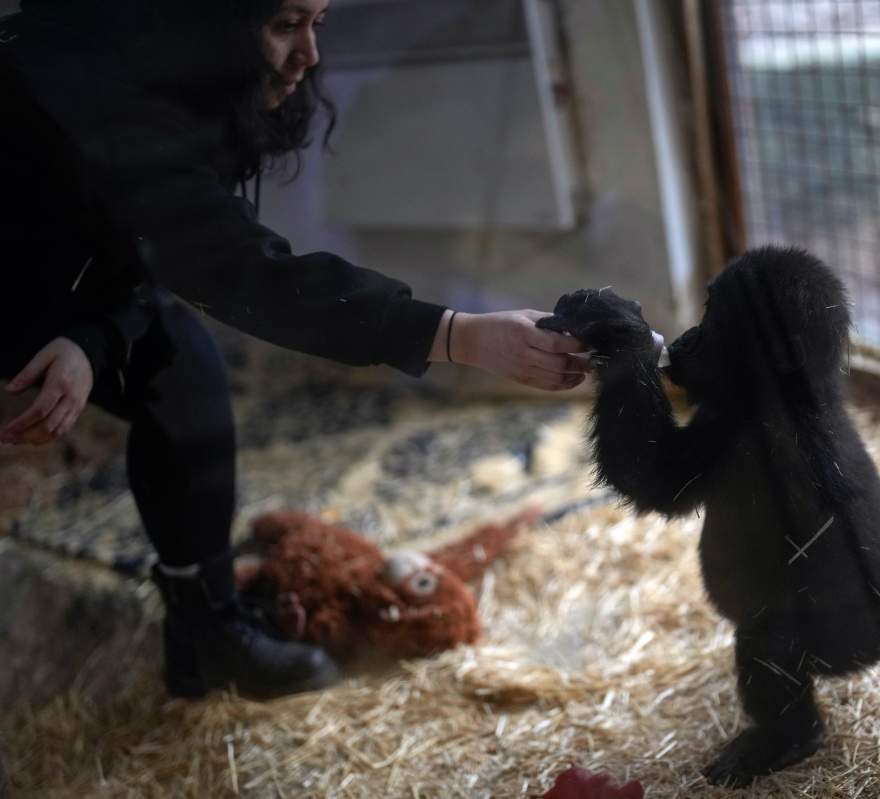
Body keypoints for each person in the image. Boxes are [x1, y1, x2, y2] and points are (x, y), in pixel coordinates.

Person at [0, 0, 589, 699]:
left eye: (319, 23)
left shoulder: (175, 92)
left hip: (52, 274)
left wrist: (94, 334)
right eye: (285, 24)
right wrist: (460, 334)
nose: (309, 54)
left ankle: (205, 631)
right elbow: (245, 274)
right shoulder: (88, 88)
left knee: (183, 364)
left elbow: (152, 247)